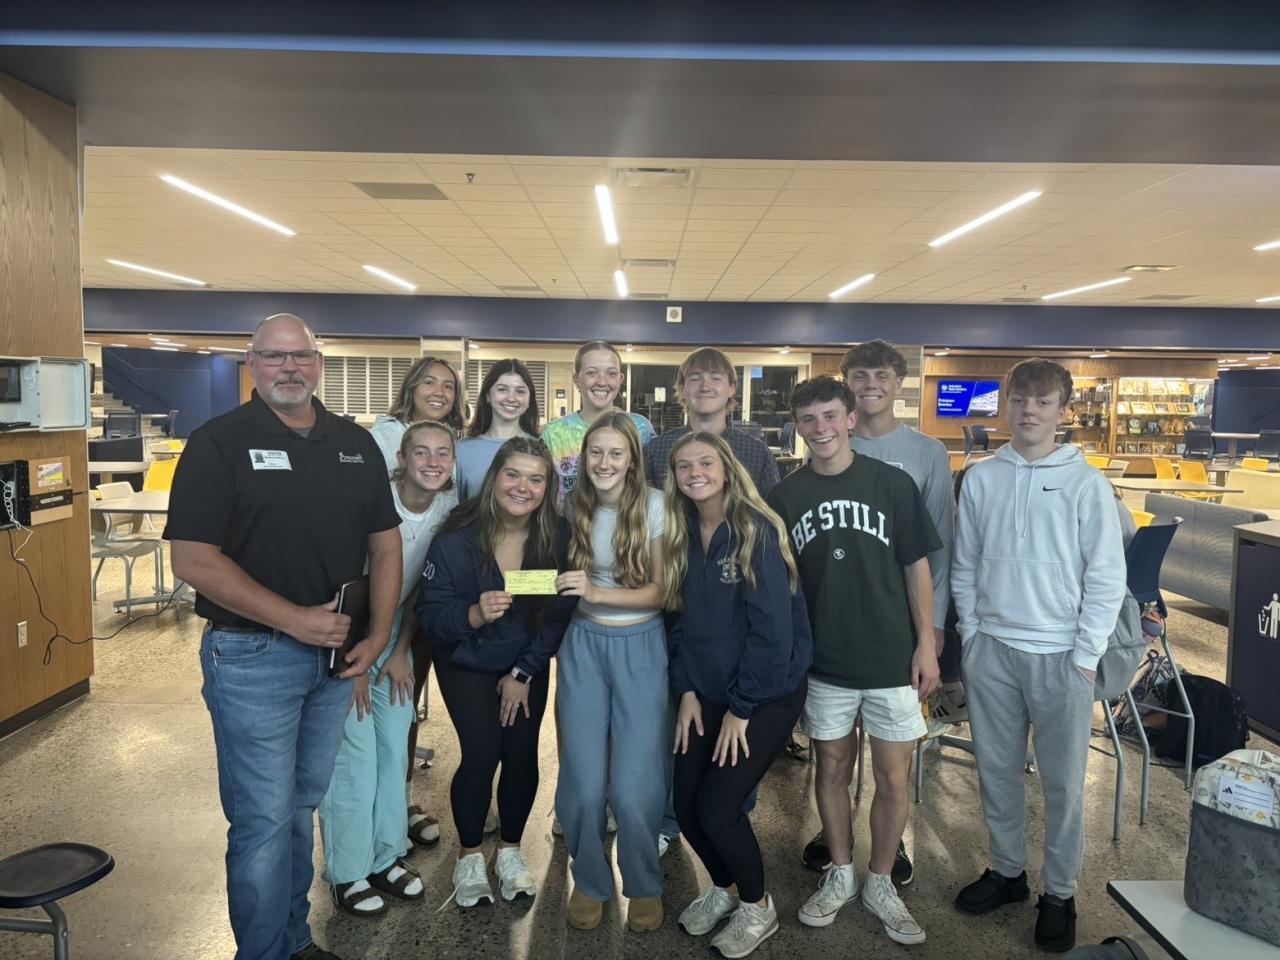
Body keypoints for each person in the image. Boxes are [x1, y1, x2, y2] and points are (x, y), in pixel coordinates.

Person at [166, 314, 402, 960]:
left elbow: (385, 545)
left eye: (300, 356)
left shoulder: (353, 443)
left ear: (319, 363)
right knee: (264, 822)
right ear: (252, 363)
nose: (289, 367)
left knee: (301, 809)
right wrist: (294, 619)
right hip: (251, 658)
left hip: (336, 660)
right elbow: (192, 559)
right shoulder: (218, 444)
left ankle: (294, 941)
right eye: (274, 357)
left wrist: (379, 632)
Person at [951, 359, 1126, 954]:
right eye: (1020, 400)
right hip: (993, 651)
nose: (1029, 411)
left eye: (1043, 402)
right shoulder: (981, 478)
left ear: (1062, 411)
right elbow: (965, 561)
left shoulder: (1086, 483)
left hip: (1061, 655)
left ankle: (1059, 892)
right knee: (997, 771)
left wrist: (1085, 655)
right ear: (1006, 405)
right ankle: (1007, 872)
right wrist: (972, 634)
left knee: (1064, 785)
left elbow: (1106, 576)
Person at [766, 376, 940, 947]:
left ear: (849, 419)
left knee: (893, 776)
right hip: (825, 662)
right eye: (808, 419)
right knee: (831, 769)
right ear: (798, 427)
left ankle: (881, 880)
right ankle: (840, 872)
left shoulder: (892, 483)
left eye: (829, 416)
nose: (820, 428)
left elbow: (917, 568)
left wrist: (927, 643)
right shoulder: (786, 497)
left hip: (892, 660)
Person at [801, 339, 954, 885]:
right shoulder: (820, 449)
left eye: (881, 376)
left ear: (898, 383)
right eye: (860, 376)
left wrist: (931, 632)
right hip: (834, 638)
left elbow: (933, 552)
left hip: (897, 633)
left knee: (893, 765)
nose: (870, 386)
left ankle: (890, 852)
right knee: (832, 759)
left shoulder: (923, 455)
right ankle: (835, 839)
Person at [663, 432, 812, 958]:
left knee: (718, 808)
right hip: (704, 689)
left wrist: (742, 707)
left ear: (726, 468)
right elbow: (676, 621)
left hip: (765, 693)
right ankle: (725, 889)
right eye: (684, 466)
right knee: (685, 806)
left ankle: (757, 905)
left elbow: (773, 634)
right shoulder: (679, 532)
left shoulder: (755, 530)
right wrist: (685, 689)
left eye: (705, 462)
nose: (695, 473)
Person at [417, 437, 575, 908]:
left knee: (521, 755)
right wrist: (472, 614)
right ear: (494, 478)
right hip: (465, 658)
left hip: (523, 660)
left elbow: (558, 611)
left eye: (535, 479)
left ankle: (509, 850)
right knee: (483, 752)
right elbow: (430, 615)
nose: (522, 487)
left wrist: (523, 672)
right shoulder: (455, 538)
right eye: (513, 474)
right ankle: (468, 857)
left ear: (547, 488)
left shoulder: (556, 536)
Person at [318, 420, 458, 918]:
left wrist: (399, 650)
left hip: (394, 628)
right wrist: (357, 663)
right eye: (421, 452)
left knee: (395, 743)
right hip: (349, 629)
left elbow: (421, 588)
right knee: (354, 755)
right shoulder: (374, 500)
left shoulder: (447, 508)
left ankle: (386, 855)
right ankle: (347, 872)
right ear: (400, 458)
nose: (432, 462)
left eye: (443, 453)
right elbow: (348, 581)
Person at [554, 412, 669, 934]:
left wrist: (597, 591)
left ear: (631, 461)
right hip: (582, 645)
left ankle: (643, 883)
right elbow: (549, 577)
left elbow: (661, 592)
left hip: (641, 645)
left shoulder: (655, 505)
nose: (604, 462)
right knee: (581, 783)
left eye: (615, 453)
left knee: (632, 785)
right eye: (595, 452)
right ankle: (589, 879)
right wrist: (499, 586)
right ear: (584, 459)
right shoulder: (570, 504)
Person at [644, 346, 779, 497]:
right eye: (695, 379)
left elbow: (771, 510)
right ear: (681, 389)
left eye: (715, 378)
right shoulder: (656, 451)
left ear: (731, 388)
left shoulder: (758, 453)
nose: (705, 387)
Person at [540, 340, 655, 510]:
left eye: (611, 373)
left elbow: (649, 484)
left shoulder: (640, 428)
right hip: (569, 524)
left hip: (630, 522)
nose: (602, 381)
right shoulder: (554, 434)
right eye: (592, 373)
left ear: (620, 379)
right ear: (576, 379)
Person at [456, 359, 540, 501]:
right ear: (488, 395)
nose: (511, 398)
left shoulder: (541, 448)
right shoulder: (461, 450)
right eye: (502, 389)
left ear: (529, 400)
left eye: (520, 391)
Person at [369, 355, 466, 472]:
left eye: (448, 386)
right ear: (411, 388)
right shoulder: (380, 438)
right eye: (429, 382)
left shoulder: (458, 444)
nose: (440, 392)